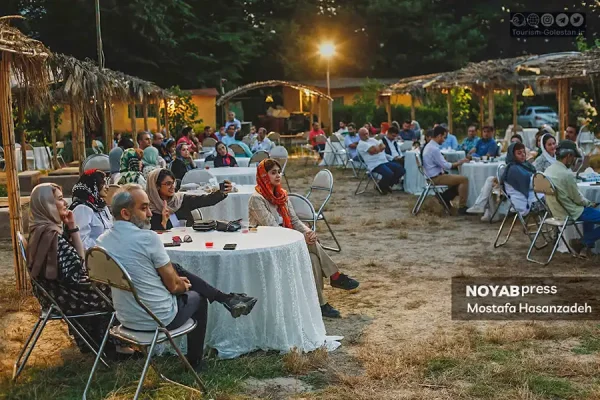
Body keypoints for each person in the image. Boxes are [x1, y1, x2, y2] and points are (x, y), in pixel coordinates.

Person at [97, 184, 257, 370]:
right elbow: (174, 287)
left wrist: (176, 281)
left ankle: (226, 299)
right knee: (198, 298)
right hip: (157, 318)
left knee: (175, 267)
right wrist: (183, 286)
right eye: (144, 208)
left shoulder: (103, 241)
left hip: (125, 318)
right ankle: (195, 362)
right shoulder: (147, 239)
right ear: (125, 213)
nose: (150, 214)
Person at [248, 159, 359, 318]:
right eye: (273, 173)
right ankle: (335, 276)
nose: (278, 175)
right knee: (309, 247)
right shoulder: (257, 199)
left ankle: (320, 304)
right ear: (264, 176)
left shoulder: (281, 195)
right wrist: (301, 238)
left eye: (279, 172)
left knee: (314, 258)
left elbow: (294, 221)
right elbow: (272, 228)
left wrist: (308, 232)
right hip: (267, 244)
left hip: (287, 239)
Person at [27, 183, 117, 355]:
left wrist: (72, 227)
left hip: (57, 296)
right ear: (47, 204)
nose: (66, 203)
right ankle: (111, 346)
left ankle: (100, 344)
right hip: (68, 298)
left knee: (110, 283)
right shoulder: (50, 237)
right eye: (60, 199)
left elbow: (78, 263)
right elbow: (75, 278)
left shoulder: (43, 231)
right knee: (119, 289)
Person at [544, 140, 600, 254]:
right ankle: (583, 242)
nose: (574, 160)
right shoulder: (566, 174)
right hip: (570, 212)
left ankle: (586, 247)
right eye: (574, 157)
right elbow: (578, 199)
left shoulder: (548, 170)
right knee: (589, 209)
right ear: (569, 156)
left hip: (556, 211)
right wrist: (591, 203)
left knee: (590, 212)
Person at [147, 168, 230, 230]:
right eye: (168, 184)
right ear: (156, 186)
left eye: (173, 183)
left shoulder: (180, 200)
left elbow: (206, 200)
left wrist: (222, 192)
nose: (173, 187)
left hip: (189, 241)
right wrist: (164, 222)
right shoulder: (148, 209)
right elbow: (152, 236)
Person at [423, 125, 470, 214]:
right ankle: (462, 207)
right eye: (444, 137)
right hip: (436, 177)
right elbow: (447, 166)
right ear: (439, 136)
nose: (444, 140)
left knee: (458, 181)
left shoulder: (429, 146)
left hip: (431, 176)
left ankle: (444, 197)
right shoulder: (434, 149)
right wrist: (460, 162)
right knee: (464, 180)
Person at [70, 169, 113, 250]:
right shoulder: (82, 209)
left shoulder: (101, 205)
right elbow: (82, 243)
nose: (107, 187)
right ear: (92, 185)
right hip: (94, 257)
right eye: (103, 184)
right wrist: (105, 243)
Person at [357, 127, 404, 194]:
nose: (366, 136)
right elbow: (373, 150)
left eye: (367, 133)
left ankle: (386, 185)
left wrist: (377, 149)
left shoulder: (372, 140)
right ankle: (382, 186)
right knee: (389, 173)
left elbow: (383, 146)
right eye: (364, 134)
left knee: (400, 169)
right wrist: (378, 148)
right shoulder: (361, 144)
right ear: (360, 136)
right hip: (375, 164)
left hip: (384, 161)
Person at [501, 142, 540, 216]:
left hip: (529, 194)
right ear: (513, 155)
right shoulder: (513, 169)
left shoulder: (524, 165)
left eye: (523, 152)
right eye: (519, 153)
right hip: (521, 200)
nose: (523, 155)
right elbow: (528, 183)